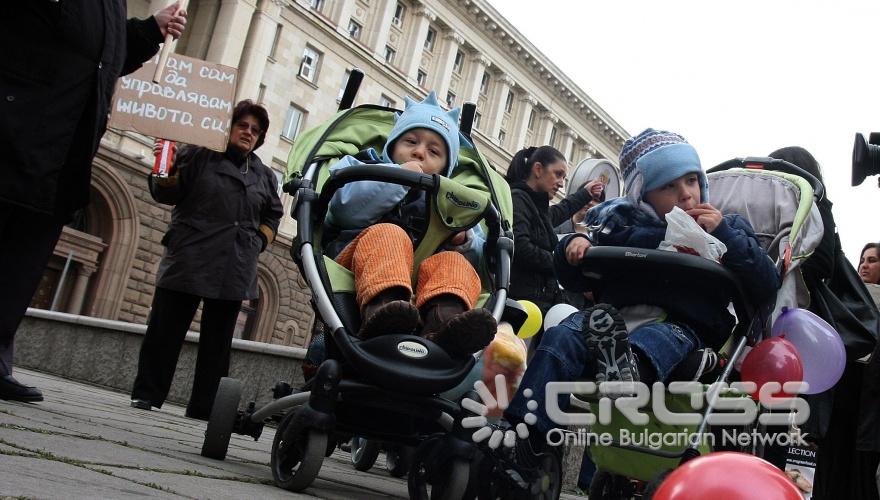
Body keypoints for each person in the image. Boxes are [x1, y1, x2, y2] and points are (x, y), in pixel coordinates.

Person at [503, 128, 779, 458]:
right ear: (642, 194)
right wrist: (573, 250)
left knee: (658, 338)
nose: (685, 194)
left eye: (692, 181)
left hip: (683, 323)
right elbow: (577, 280)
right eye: (669, 186)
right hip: (611, 319)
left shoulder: (727, 227)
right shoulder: (620, 227)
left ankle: (628, 371)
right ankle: (524, 434)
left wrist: (723, 235)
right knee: (561, 336)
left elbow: (765, 282)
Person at [0, 3, 187, 402]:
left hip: (62, 155)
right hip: (16, 135)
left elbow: (106, 57)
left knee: (21, 266)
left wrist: (152, 29)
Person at [130, 100, 283, 419]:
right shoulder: (198, 154)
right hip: (190, 255)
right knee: (165, 331)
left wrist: (257, 242)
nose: (248, 133)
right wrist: (164, 168)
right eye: (243, 125)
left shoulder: (265, 176)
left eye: (255, 130)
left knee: (218, 343)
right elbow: (167, 192)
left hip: (236, 264)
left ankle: (204, 407)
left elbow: (273, 214)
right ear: (228, 127)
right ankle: (147, 395)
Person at [322, 91, 496, 358]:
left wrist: (464, 240)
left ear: (445, 169)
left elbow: (482, 265)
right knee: (391, 234)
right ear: (392, 146)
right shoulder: (363, 166)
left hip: (420, 287)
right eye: (411, 141)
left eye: (434, 151)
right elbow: (344, 210)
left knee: (454, 262)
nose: (419, 151)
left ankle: (445, 325)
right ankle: (384, 310)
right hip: (355, 267)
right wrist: (398, 178)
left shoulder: (449, 202)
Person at [768, 148, 880, 500]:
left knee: (796, 451)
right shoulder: (811, 209)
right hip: (795, 360)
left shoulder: (812, 212)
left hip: (800, 361)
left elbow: (821, 269)